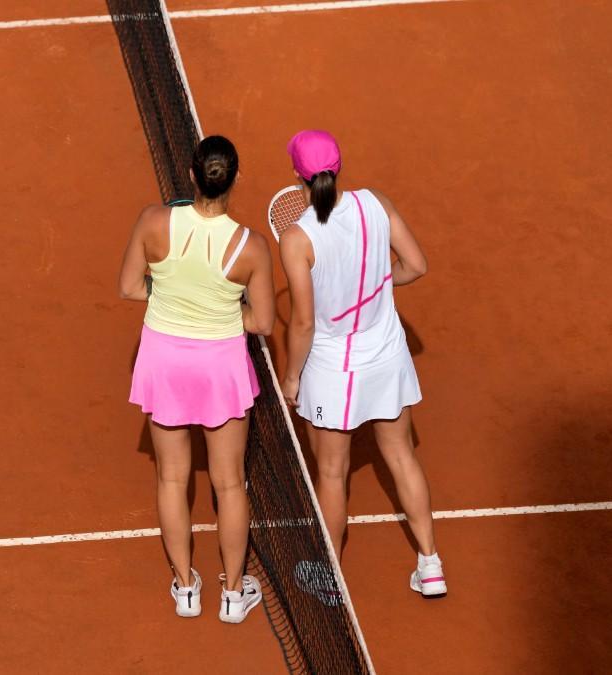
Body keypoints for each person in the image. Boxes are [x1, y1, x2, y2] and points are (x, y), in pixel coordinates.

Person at [277, 129, 446, 598]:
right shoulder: (376, 202)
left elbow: (304, 323)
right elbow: (416, 265)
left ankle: (329, 578)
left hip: (334, 372)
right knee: (401, 456)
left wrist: (291, 377)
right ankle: (430, 564)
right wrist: (374, 285)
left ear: (297, 176)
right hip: (387, 357)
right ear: (340, 166)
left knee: (332, 474)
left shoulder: (297, 238)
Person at [118, 135, 277, 622]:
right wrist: (225, 312)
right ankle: (233, 595)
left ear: (192, 175)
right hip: (219, 367)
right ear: (233, 180)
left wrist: (170, 294)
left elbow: (129, 288)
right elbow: (263, 323)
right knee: (229, 484)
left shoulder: (152, 221)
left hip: (164, 362)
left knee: (171, 476)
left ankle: (186, 587)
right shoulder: (250, 247)